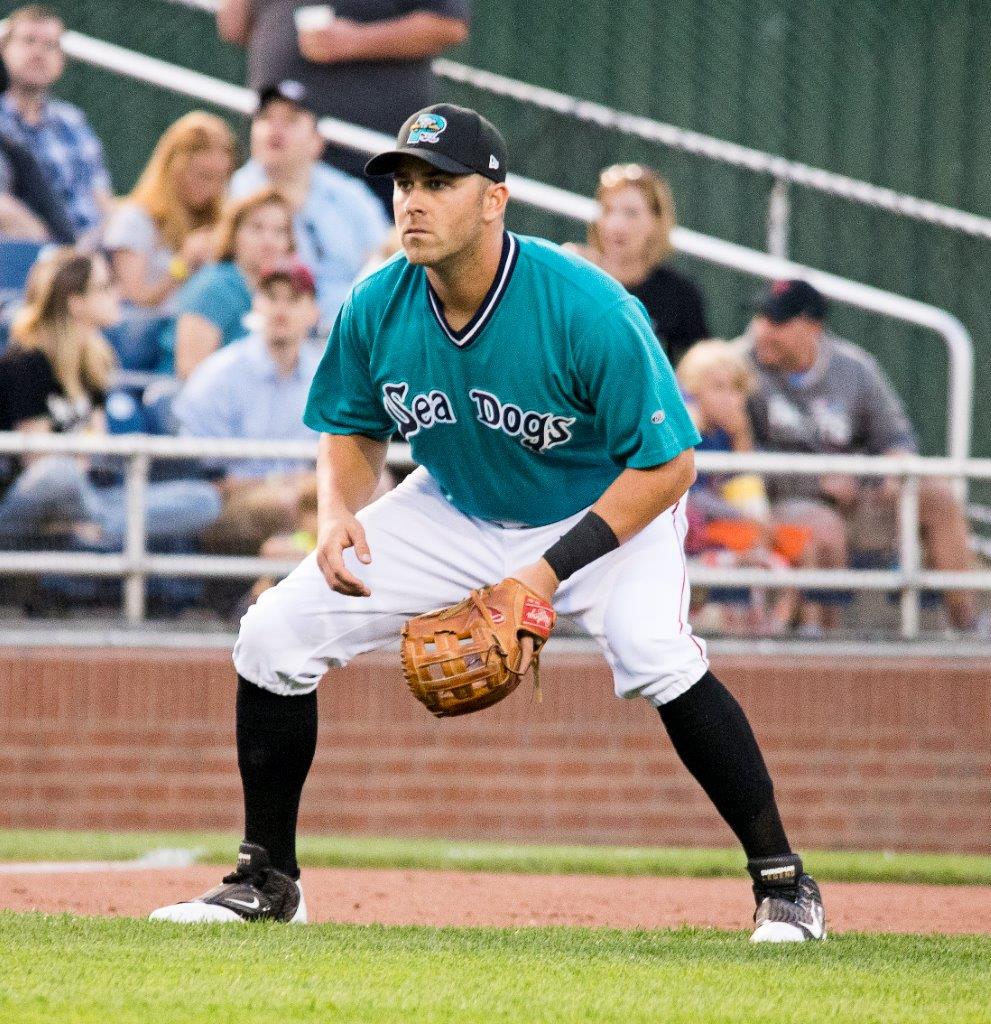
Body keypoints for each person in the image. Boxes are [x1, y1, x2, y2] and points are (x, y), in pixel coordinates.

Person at [150, 104, 826, 943]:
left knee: (655, 654)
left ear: (494, 199)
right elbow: (354, 426)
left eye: (439, 183)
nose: (414, 201)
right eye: (403, 183)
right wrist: (335, 515)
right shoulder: (377, 303)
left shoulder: (585, 307)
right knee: (272, 636)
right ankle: (267, 879)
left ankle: (784, 884)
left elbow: (669, 465)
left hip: (603, 508)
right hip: (459, 503)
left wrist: (544, 573)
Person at [744, 278, 980, 633]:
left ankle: (971, 629)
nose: (763, 332)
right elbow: (734, 453)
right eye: (760, 319)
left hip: (856, 501)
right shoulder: (738, 366)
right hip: (780, 505)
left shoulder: (854, 368)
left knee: (936, 495)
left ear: (813, 328)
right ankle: (828, 649)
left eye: (776, 323)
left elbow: (897, 439)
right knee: (823, 526)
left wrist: (890, 470)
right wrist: (816, 481)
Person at [0, 248, 221, 550]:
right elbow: (36, 460)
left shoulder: (93, 362)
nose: (117, 294)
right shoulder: (26, 361)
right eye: (105, 287)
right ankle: (100, 528)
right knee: (59, 475)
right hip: (27, 500)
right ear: (75, 303)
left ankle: (97, 528)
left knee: (203, 499)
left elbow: (97, 449)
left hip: (90, 499)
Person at [216, 0, 469, 209]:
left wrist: (356, 40)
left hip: (365, 164)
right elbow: (232, 27)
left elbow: (449, 25)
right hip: (273, 163)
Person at [172, 257, 322, 557]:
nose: (280, 309)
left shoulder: (328, 374)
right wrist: (284, 487)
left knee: (372, 488)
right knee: (295, 504)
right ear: (256, 305)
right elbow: (204, 477)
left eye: (293, 299)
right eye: (271, 297)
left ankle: (276, 573)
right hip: (235, 503)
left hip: (309, 498)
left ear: (313, 312)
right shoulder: (220, 373)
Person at [229, 80, 390, 331]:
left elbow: (386, 254)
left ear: (317, 141)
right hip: (270, 328)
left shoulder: (349, 194)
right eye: (266, 118)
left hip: (353, 330)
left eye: (291, 120)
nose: (276, 129)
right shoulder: (236, 193)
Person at [677, 340, 806, 636]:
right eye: (719, 388)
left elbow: (747, 489)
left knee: (797, 546)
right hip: (692, 535)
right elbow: (691, 496)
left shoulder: (730, 430)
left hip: (727, 529)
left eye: (736, 389)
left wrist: (742, 435)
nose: (732, 399)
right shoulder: (686, 424)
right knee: (757, 540)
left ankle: (793, 630)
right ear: (693, 391)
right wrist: (749, 520)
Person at [569, 163, 709, 365]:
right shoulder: (573, 274)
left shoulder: (679, 294)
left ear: (656, 221)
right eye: (608, 210)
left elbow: (698, 369)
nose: (616, 224)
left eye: (631, 213)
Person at [105, 111, 236, 314]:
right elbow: (131, 302)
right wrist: (181, 266)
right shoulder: (135, 219)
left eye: (220, 179)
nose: (212, 188)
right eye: (203, 175)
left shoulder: (218, 223)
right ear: (174, 167)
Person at [0, 5, 113, 241]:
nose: (38, 53)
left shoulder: (73, 122)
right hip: (24, 253)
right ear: (4, 49)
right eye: (28, 41)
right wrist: (46, 242)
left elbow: (102, 199)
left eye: (50, 45)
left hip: (88, 253)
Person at [160, 186, 295, 379]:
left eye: (279, 231)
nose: (269, 241)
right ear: (234, 234)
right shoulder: (214, 287)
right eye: (257, 228)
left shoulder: (282, 291)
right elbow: (190, 371)